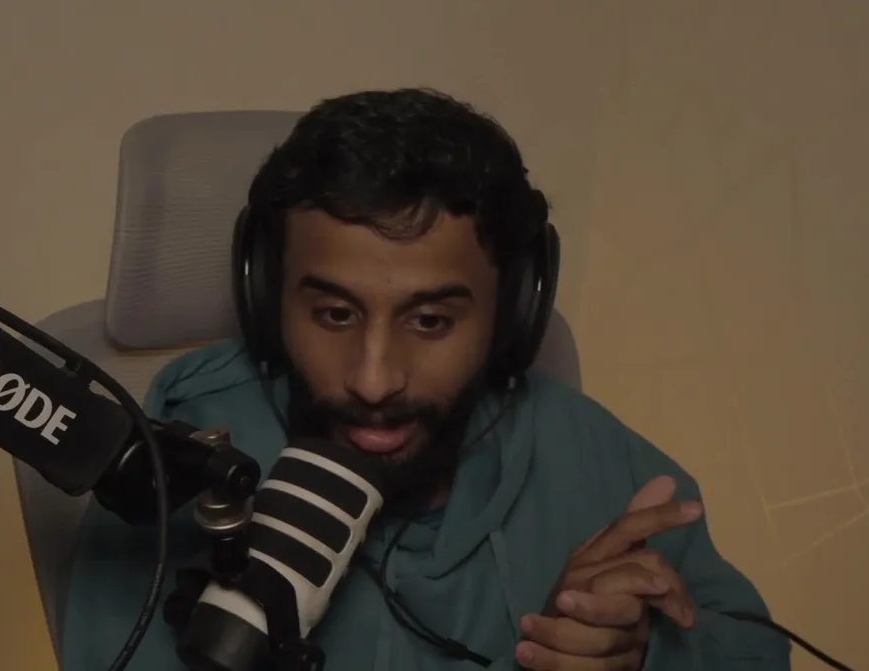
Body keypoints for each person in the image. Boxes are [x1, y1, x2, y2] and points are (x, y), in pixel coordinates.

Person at [60, 88, 790, 670]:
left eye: (431, 321)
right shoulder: (183, 467)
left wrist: (642, 655)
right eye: (335, 314)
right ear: (267, 298)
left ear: (512, 315)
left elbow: (758, 650)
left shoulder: (588, 455)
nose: (374, 380)